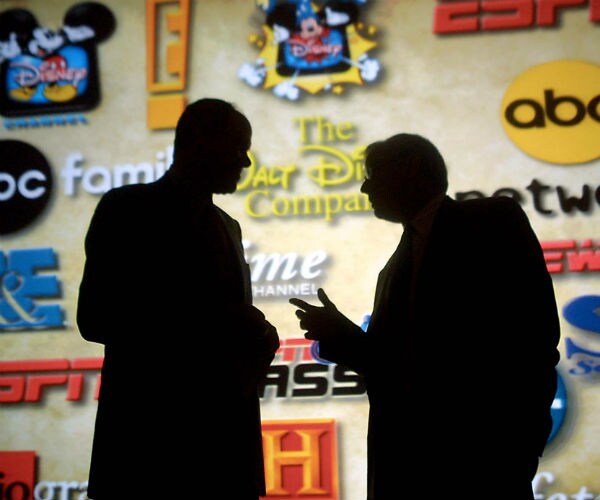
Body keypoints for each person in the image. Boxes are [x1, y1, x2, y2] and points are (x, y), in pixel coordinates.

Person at [289, 133, 560, 499]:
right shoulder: (392, 270)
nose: (365, 187)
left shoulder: (491, 220)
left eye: (372, 174)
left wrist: (522, 446)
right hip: (407, 467)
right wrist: (345, 337)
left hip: (483, 462)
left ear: (411, 168)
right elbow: (397, 366)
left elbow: (533, 334)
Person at [77, 98, 280, 499]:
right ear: (199, 141)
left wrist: (258, 335)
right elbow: (96, 317)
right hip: (146, 450)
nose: (245, 161)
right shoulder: (127, 209)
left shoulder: (228, 227)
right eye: (237, 147)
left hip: (223, 452)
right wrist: (221, 323)